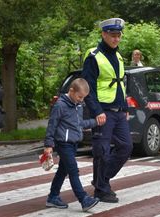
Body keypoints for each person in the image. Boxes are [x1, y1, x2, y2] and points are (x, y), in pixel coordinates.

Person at [82, 18, 133, 203]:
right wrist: (96, 111)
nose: (116, 39)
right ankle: (101, 190)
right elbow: (88, 89)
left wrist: (125, 106)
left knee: (126, 147)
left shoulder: (118, 56)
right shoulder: (93, 56)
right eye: (113, 35)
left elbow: (121, 84)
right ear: (104, 34)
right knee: (101, 150)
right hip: (103, 111)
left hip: (118, 110)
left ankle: (100, 180)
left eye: (118, 35)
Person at [44, 78, 99, 212]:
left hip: (73, 143)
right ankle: (84, 199)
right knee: (73, 170)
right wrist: (48, 144)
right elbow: (52, 125)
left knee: (63, 171)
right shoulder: (60, 105)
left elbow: (79, 124)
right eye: (80, 96)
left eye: (83, 98)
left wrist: (95, 122)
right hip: (63, 143)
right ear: (71, 91)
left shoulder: (78, 105)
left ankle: (52, 197)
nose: (81, 100)